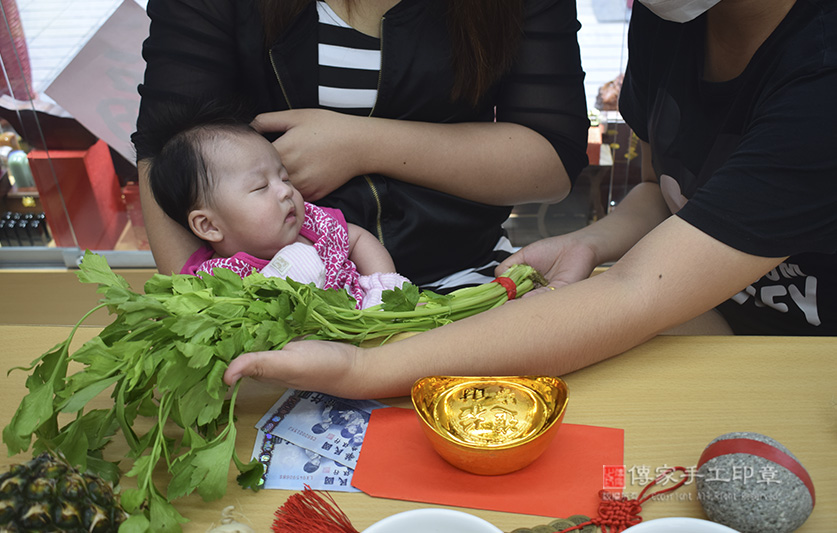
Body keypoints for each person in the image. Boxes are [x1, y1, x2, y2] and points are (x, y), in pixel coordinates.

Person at [223, 0, 837, 399]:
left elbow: (636, 294)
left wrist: (364, 371)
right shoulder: (672, 18)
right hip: (711, 314)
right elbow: (665, 191)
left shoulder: (820, 71)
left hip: (809, 359)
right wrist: (590, 241)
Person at [132, 0, 590, 294]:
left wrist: (358, 144)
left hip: (465, 275)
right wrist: (221, 318)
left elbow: (552, 156)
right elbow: (163, 152)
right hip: (279, 299)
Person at [141, 106, 407, 309]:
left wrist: (383, 285)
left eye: (284, 177)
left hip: (368, 324)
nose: (285, 191)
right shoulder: (214, 281)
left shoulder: (313, 226)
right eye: (260, 187)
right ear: (209, 225)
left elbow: (357, 238)